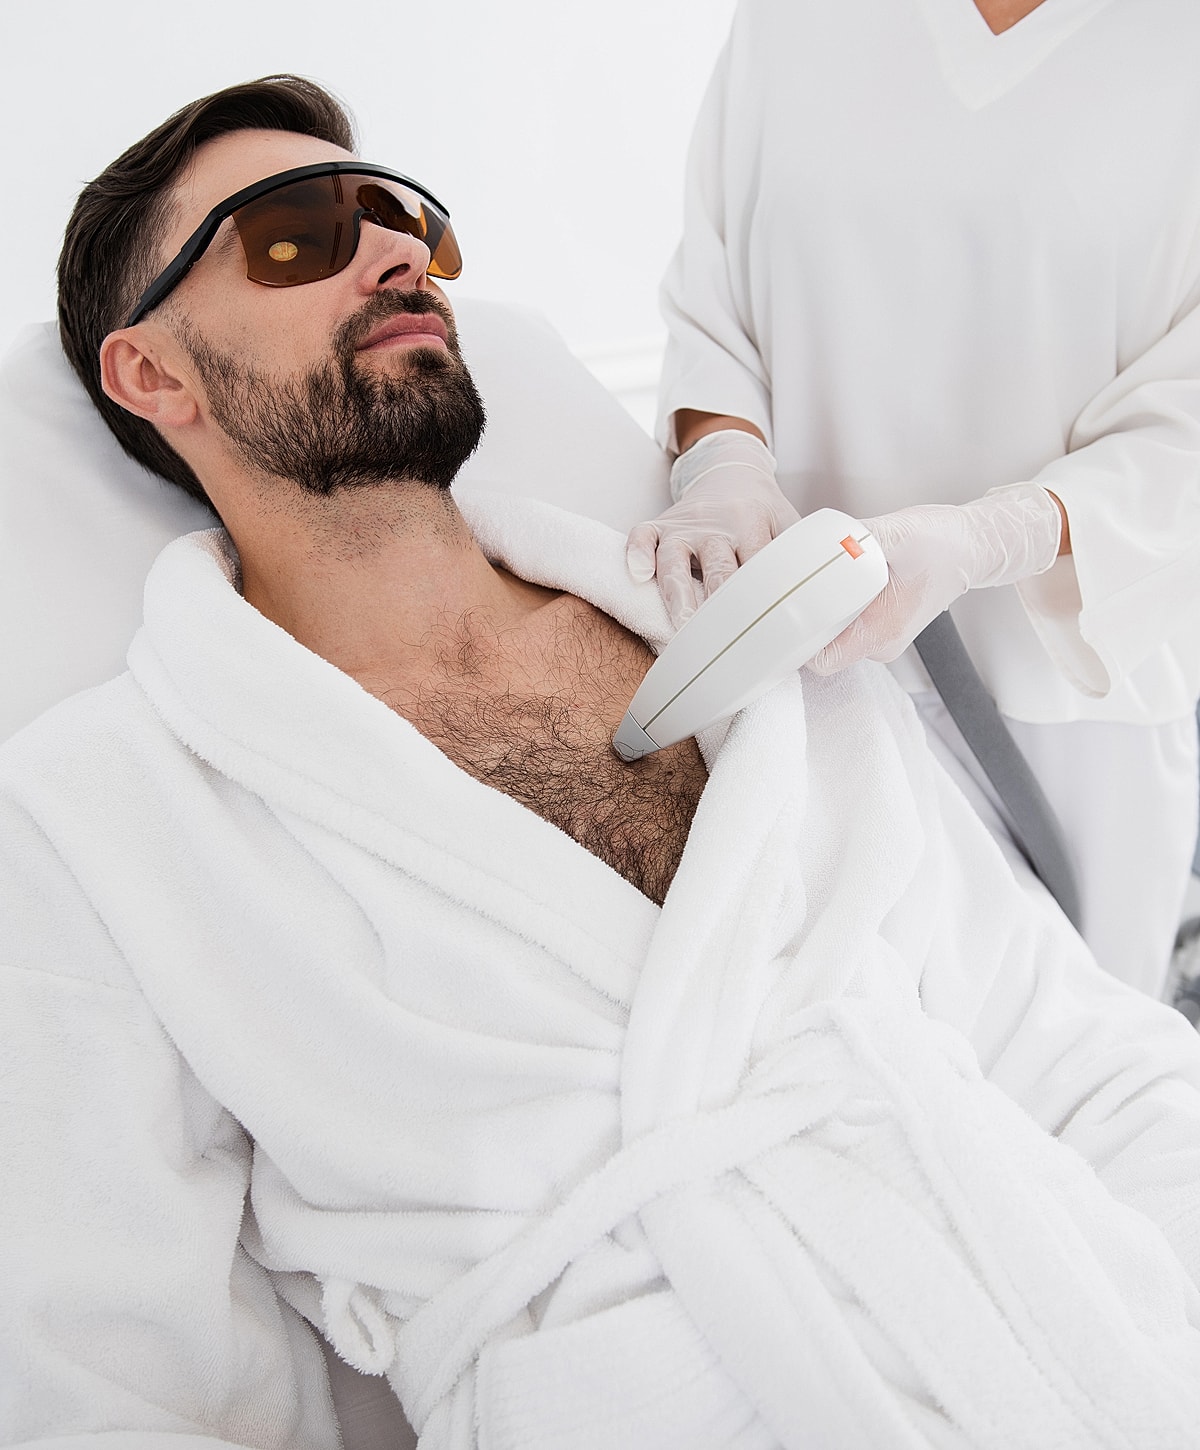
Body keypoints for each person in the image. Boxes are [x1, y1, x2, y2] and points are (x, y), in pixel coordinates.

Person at [5, 74, 1200, 1450]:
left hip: (1088, 1359)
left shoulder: (732, 636)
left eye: (407, 219)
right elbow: (111, 1384)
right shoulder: (93, 826)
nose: (396, 250)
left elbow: (1080, 1050)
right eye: (295, 234)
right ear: (151, 370)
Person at [627, 0, 1200, 998]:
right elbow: (712, 296)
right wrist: (724, 469)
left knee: (1075, 1084)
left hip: (1068, 700)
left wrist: (991, 539)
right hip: (800, 678)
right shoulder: (791, 22)